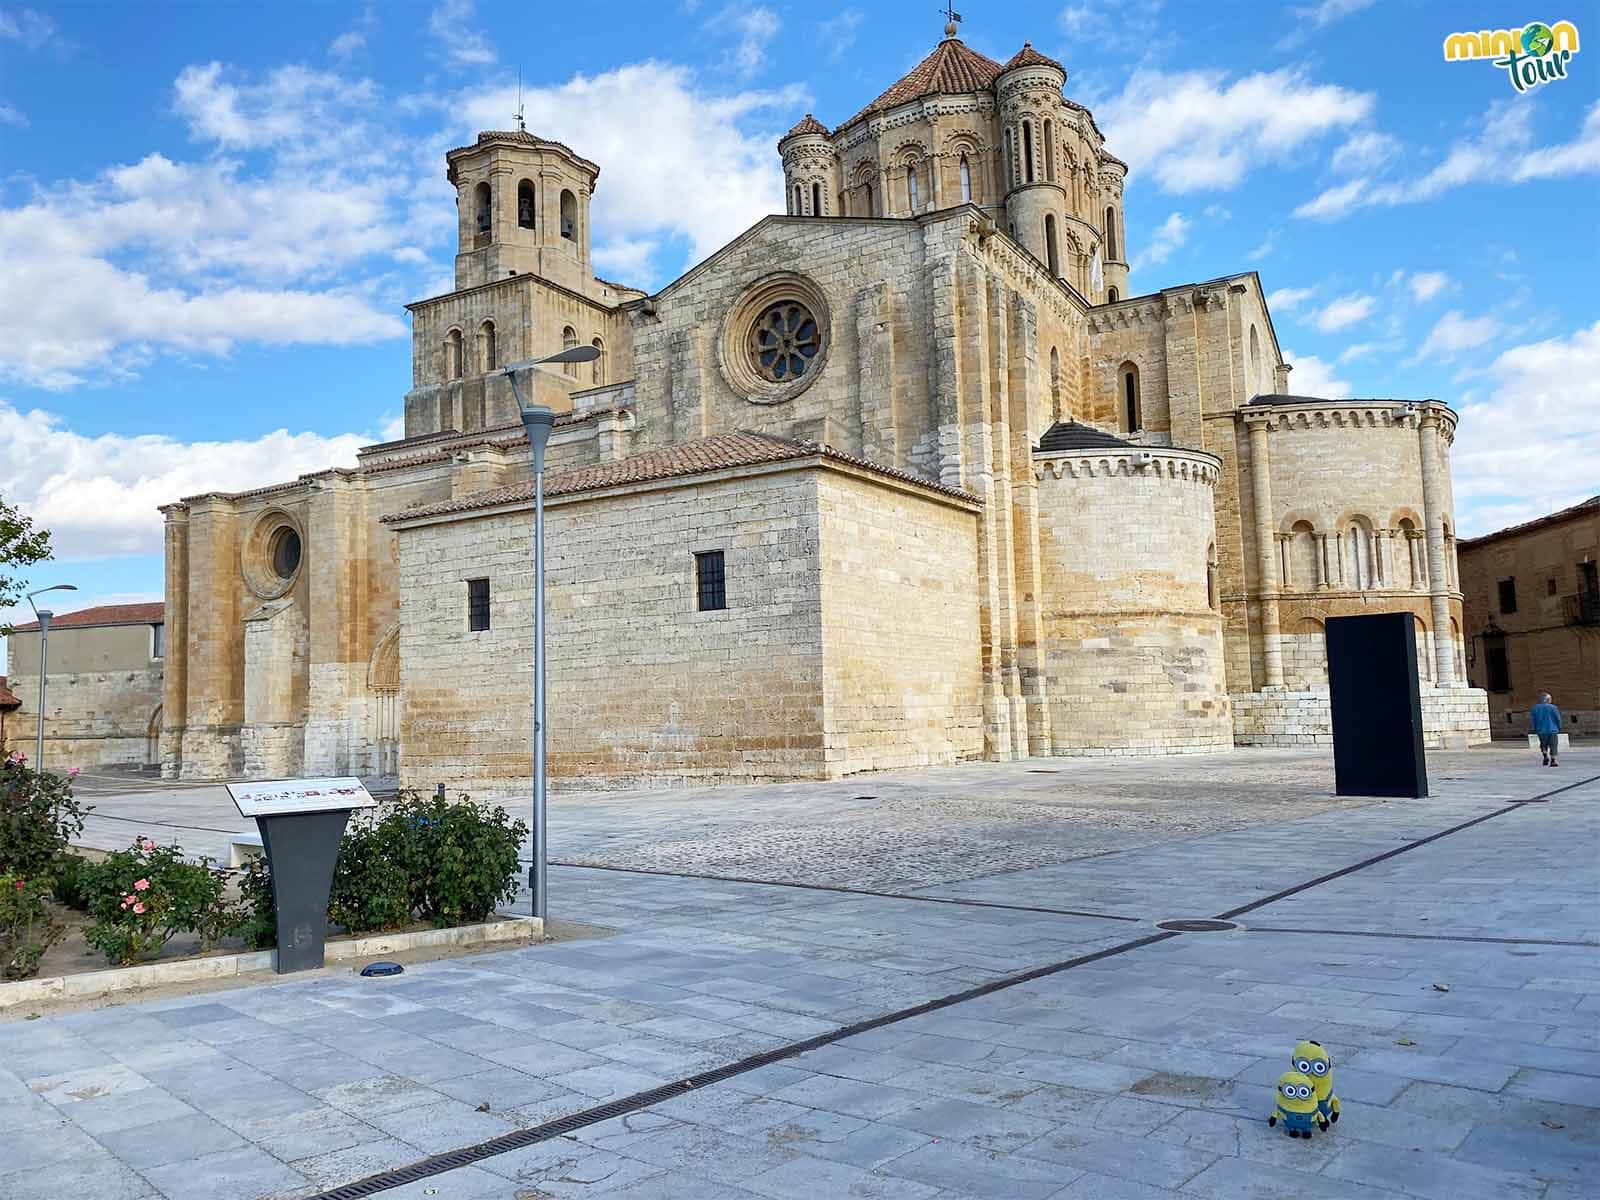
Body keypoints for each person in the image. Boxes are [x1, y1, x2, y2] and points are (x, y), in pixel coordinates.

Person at [1531, 692, 1563, 767]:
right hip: (1552, 729)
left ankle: (1545, 755)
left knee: (1543, 744)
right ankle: (1553, 760)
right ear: (1548, 699)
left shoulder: (1535, 708)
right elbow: (1557, 718)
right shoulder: (1553, 707)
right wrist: (1559, 726)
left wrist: (1535, 728)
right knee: (1553, 745)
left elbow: (1534, 720)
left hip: (1540, 730)